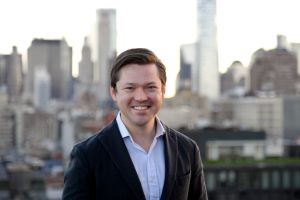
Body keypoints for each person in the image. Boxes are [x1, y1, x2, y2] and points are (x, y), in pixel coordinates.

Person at [62, 48, 208, 200]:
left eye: (150, 87)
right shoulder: (87, 155)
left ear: (163, 91)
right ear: (114, 93)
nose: (141, 97)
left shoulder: (188, 149)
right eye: (130, 88)